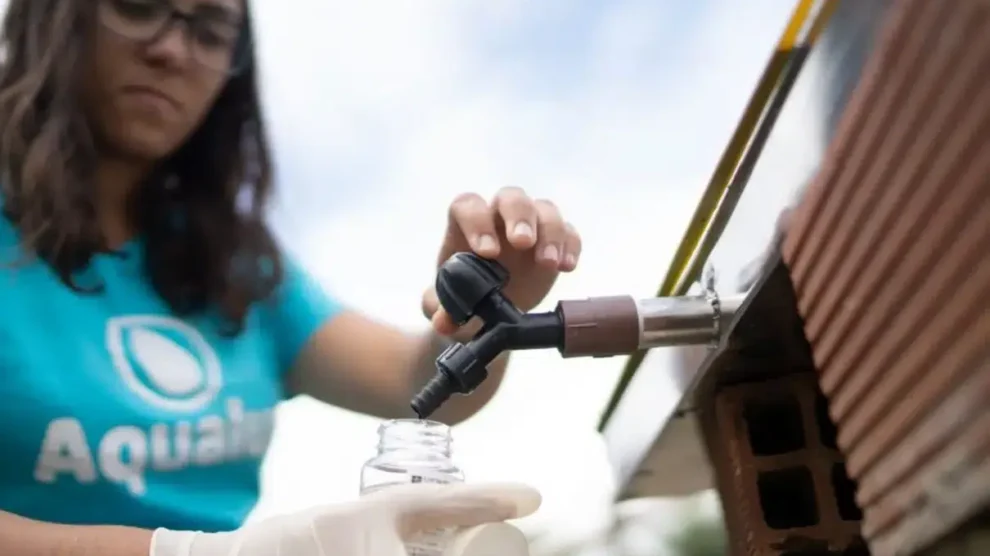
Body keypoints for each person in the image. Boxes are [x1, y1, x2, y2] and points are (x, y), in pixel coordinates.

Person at [0, 0, 582, 554]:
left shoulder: (233, 264)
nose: (172, 50)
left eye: (208, 30)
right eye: (136, 7)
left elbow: (414, 383)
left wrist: (483, 300)